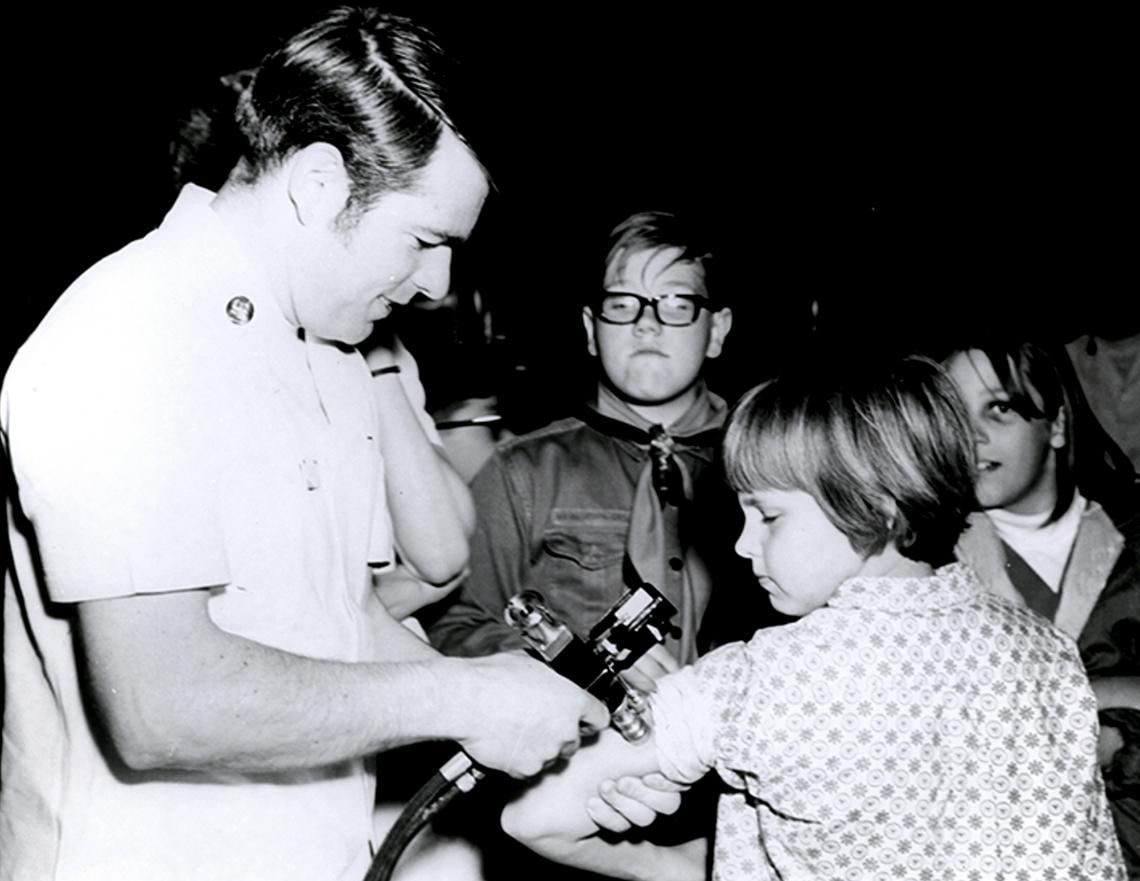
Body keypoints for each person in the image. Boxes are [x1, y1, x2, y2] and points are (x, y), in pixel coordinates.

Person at [1, 9, 610, 881]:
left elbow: (342, 617)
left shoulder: (325, 352)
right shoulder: (127, 331)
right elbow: (161, 703)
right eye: (426, 239)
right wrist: (468, 695)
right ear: (321, 183)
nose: (438, 284)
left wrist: (538, 718)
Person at [500, 354, 1127, 880]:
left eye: (767, 516)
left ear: (875, 506)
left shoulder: (768, 675)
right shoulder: (1046, 653)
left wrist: (669, 864)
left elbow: (533, 817)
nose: (743, 545)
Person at [427, 209, 757, 677]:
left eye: (678, 303)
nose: (647, 324)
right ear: (590, 330)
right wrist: (575, 670)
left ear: (717, 330)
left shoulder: (770, 466)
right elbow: (454, 628)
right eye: (623, 303)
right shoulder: (523, 472)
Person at [944, 338, 1140, 874]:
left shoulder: (1132, 542)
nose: (971, 436)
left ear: (1055, 424)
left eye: (999, 408)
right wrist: (1110, 696)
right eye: (953, 414)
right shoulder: (926, 563)